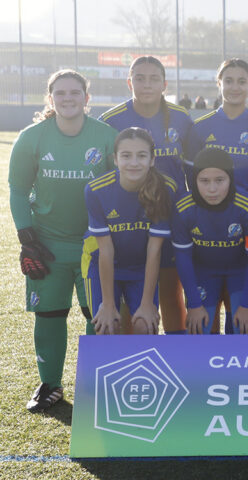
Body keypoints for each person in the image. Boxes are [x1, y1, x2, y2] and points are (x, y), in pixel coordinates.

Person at [9, 69, 117, 411]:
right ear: (50, 98)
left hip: (94, 244)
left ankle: (94, 385)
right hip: (48, 245)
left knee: (95, 313)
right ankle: (50, 385)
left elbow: (119, 187)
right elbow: (17, 188)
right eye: (60, 93)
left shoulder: (107, 136)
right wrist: (26, 234)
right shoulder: (31, 137)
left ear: (87, 97)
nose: (68, 98)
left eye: (75, 92)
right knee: (49, 314)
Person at [99, 55, 192, 335]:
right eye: (139, 78)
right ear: (129, 82)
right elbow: (105, 175)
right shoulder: (111, 120)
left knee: (170, 292)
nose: (146, 84)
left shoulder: (181, 119)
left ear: (165, 83)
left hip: (170, 218)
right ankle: (133, 356)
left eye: (154, 78)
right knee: (133, 294)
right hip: (126, 221)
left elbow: (193, 171)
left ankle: (177, 356)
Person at [84, 127, 175, 336]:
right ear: (115, 159)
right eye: (126, 156)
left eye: (141, 156)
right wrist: (107, 305)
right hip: (102, 267)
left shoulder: (165, 189)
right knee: (108, 326)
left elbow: (155, 251)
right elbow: (105, 251)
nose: (134, 162)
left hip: (141, 268)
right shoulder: (96, 190)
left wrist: (146, 305)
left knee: (145, 325)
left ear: (152, 159)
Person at [172, 148, 248, 335]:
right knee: (198, 330)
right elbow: (183, 259)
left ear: (230, 178)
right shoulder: (183, 209)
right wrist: (194, 303)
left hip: (240, 271)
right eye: (204, 181)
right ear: (194, 180)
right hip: (203, 272)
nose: (212, 189)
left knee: (244, 330)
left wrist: (247, 305)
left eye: (219, 180)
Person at [191, 58, 248, 199]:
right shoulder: (200, 127)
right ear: (219, 83)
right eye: (228, 81)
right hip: (210, 213)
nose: (235, 88)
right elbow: (191, 177)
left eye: (241, 82)